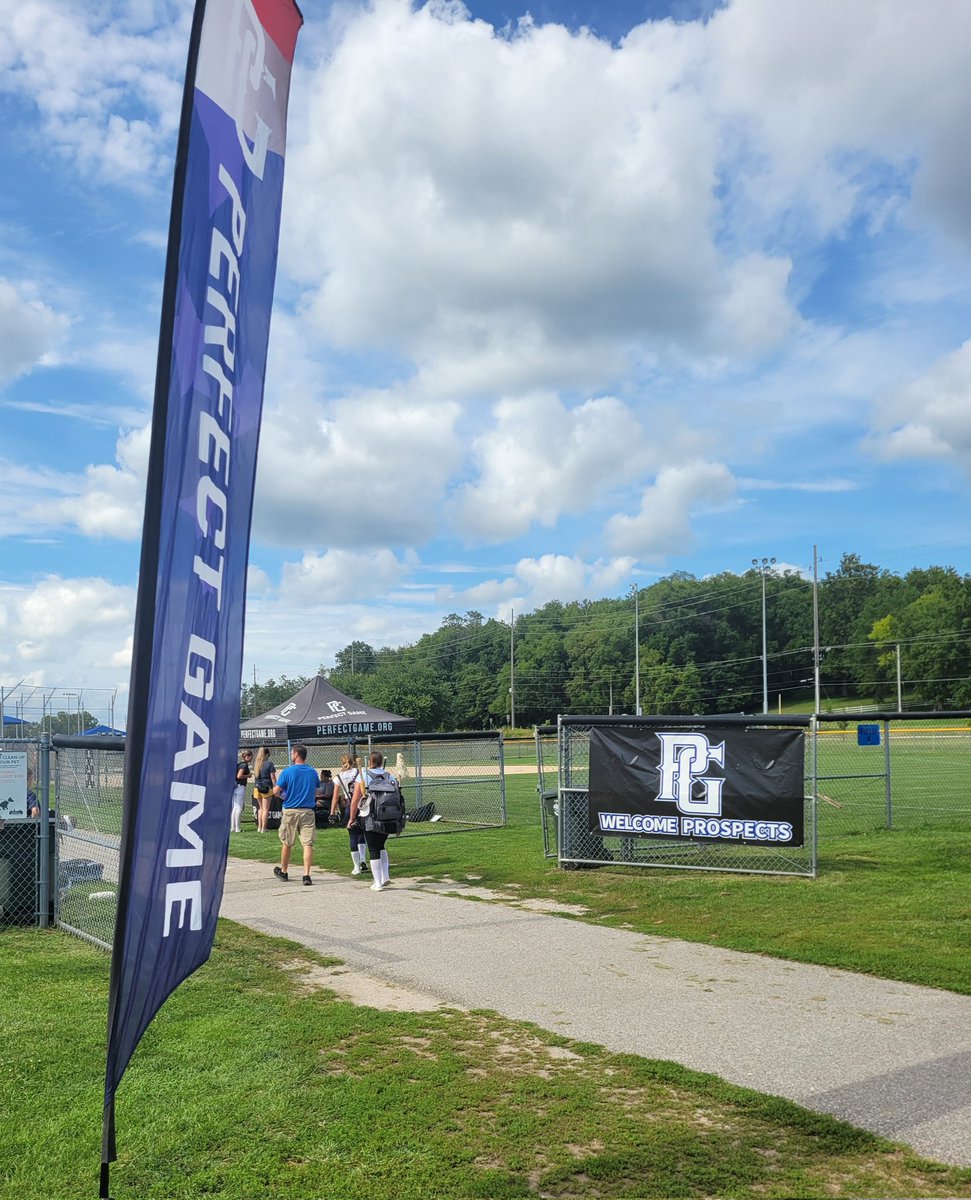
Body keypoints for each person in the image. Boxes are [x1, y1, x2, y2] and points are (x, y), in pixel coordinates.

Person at [348, 751, 401, 891]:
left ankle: (378, 883)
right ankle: (385, 876)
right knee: (381, 845)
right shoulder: (389, 776)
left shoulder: (364, 775)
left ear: (370, 762)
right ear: (381, 762)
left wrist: (352, 818)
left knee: (373, 848)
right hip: (387, 816)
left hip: (369, 817)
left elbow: (355, 800)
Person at [272, 744, 319, 885]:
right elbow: (315, 790)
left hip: (291, 810)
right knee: (307, 843)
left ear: (297, 754)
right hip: (307, 811)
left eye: (292, 753)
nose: (291, 755)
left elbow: (275, 791)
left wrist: (284, 795)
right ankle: (306, 874)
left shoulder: (288, 771)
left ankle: (284, 870)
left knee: (287, 842)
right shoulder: (312, 772)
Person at [333, 753, 369, 876]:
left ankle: (356, 867)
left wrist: (332, 812)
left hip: (350, 806)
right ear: (353, 762)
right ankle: (363, 859)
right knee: (361, 833)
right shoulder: (359, 772)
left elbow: (335, 797)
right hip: (362, 806)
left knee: (353, 835)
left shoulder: (339, 777)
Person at [252, 746, 277, 833]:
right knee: (266, 809)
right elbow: (272, 777)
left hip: (257, 787)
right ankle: (264, 828)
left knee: (260, 808)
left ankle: (259, 827)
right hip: (266, 787)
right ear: (266, 755)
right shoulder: (269, 764)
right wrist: (275, 786)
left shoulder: (256, 764)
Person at [231, 749, 253, 833]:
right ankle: (237, 828)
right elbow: (239, 776)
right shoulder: (244, 765)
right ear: (246, 757)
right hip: (240, 787)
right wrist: (248, 775)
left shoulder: (239, 764)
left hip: (236, 787)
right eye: (251, 756)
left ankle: (233, 827)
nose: (252, 758)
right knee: (239, 808)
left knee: (234, 808)